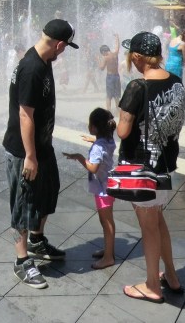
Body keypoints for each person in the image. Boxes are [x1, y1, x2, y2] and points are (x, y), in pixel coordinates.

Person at [3, 18, 77, 289]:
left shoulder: (44, 61)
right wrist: (30, 156)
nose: (64, 52)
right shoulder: (32, 68)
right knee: (24, 203)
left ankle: (36, 240)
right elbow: (25, 115)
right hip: (25, 151)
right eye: (65, 47)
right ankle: (21, 260)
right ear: (59, 44)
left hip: (42, 146)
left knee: (48, 192)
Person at [118, 31, 185, 302]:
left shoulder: (137, 86)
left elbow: (123, 131)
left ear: (137, 57)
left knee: (148, 228)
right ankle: (171, 275)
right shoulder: (176, 81)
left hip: (142, 167)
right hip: (165, 164)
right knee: (157, 220)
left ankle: (152, 286)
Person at [63, 108, 117, 270]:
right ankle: (108, 250)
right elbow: (103, 145)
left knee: (106, 222)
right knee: (106, 221)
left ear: (94, 127)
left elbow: (93, 168)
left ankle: (109, 257)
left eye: (90, 124)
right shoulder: (108, 140)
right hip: (108, 185)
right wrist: (94, 140)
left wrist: (79, 157)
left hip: (103, 190)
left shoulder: (98, 147)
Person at [98, 35, 120, 113]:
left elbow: (101, 68)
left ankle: (108, 111)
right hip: (117, 76)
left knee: (109, 95)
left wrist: (98, 60)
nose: (103, 55)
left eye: (102, 54)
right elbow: (117, 47)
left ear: (104, 52)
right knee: (117, 95)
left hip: (110, 77)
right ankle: (117, 110)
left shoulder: (106, 57)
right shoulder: (115, 54)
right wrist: (117, 38)